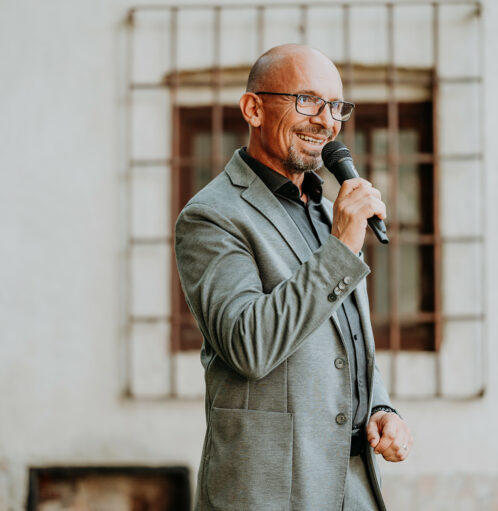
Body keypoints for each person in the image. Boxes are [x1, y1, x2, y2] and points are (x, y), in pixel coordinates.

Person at [174, 44, 413, 511]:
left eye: (335, 107)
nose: (326, 121)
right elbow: (249, 344)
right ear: (254, 108)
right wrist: (343, 248)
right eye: (307, 100)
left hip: (353, 488)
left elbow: (347, 340)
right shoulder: (211, 216)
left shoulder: (329, 212)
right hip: (269, 494)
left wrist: (381, 406)